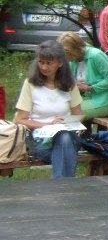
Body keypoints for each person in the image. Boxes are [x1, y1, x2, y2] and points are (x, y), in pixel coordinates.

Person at [13, 40, 83, 179]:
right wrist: (49, 124)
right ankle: (65, 186)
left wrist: (64, 122)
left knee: (64, 137)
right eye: (41, 62)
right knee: (65, 145)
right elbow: (19, 120)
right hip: (39, 141)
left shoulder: (69, 84)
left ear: (60, 63)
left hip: (66, 136)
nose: (44, 67)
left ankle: (60, 186)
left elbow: (79, 115)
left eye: (49, 63)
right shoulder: (31, 84)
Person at [56, 31, 108, 120]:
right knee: (58, 109)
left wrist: (88, 88)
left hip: (104, 101)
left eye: (64, 55)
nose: (63, 58)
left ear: (69, 51)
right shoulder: (73, 61)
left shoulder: (96, 55)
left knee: (69, 114)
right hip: (86, 99)